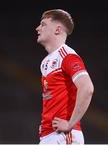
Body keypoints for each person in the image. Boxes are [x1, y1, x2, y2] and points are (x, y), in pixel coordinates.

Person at [36, 9, 94, 144]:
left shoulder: (67, 56)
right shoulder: (46, 62)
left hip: (63, 136)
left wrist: (70, 124)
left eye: (43, 24)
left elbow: (87, 88)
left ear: (57, 30)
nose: (38, 28)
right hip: (49, 135)